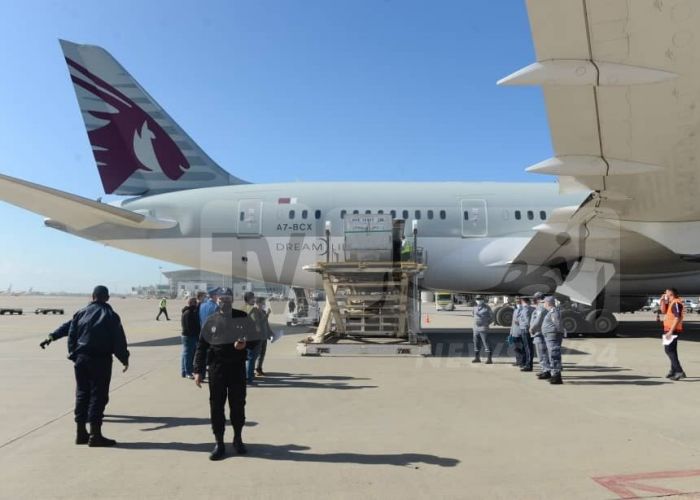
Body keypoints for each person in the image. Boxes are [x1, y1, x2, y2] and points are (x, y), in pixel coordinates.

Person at [193, 288, 257, 460]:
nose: (224, 302)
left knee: (237, 405)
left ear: (232, 300)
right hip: (217, 369)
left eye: (227, 298)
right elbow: (201, 346)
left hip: (237, 369)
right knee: (216, 406)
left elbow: (255, 338)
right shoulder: (211, 320)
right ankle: (219, 442)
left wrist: (245, 344)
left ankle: (237, 438)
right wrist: (198, 370)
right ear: (216, 300)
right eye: (221, 299)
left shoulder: (242, 318)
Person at [68, 285, 129, 446]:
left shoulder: (80, 313)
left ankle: (81, 433)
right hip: (100, 360)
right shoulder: (110, 315)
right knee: (98, 395)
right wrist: (124, 358)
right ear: (107, 298)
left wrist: (74, 355)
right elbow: (119, 339)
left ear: (92, 296)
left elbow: (72, 336)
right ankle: (95, 435)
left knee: (81, 394)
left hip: (81, 358)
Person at [660, 288, 686, 380]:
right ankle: (673, 370)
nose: (664, 293)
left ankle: (679, 371)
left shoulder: (676, 303)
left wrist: (671, 331)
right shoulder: (671, 303)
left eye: (666, 292)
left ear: (671, 294)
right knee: (672, 351)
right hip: (669, 329)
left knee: (668, 350)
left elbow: (677, 317)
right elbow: (663, 311)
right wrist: (662, 300)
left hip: (672, 330)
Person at [540, 296, 563, 385]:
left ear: (548, 303)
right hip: (550, 337)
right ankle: (554, 375)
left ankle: (557, 377)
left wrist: (559, 335)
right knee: (552, 356)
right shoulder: (550, 312)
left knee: (554, 355)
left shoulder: (554, 312)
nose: (543, 304)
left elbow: (558, 325)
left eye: (544, 302)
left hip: (553, 337)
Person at [529, 292, 550, 379]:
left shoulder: (540, 308)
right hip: (541, 333)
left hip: (539, 333)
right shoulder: (542, 307)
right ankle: (545, 370)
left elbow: (538, 320)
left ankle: (546, 371)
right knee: (543, 353)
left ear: (537, 299)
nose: (532, 300)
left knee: (542, 354)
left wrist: (532, 329)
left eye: (534, 298)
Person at [243, 291, 262, 383]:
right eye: (253, 298)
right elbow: (257, 324)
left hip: (244, 336)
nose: (254, 299)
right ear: (249, 299)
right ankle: (249, 377)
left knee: (245, 358)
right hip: (253, 337)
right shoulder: (253, 310)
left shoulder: (242, 308)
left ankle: (245, 375)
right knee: (251, 358)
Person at [180, 297, 200, 379]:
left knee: (185, 354)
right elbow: (189, 326)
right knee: (188, 355)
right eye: (195, 302)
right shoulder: (189, 313)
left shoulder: (188, 311)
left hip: (187, 336)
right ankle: (188, 372)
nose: (196, 304)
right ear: (191, 303)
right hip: (189, 336)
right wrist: (197, 333)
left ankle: (184, 371)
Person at [255, 296, 273, 377]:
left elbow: (266, 324)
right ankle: (253, 370)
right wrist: (268, 314)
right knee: (256, 354)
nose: (264, 304)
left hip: (264, 336)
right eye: (263, 303)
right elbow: (259, 323)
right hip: (258, 337)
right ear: (258, 303)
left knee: (262, 354)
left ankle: (259, 368)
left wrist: (270, 333)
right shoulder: (255, 312)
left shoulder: (263, 311)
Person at [515, 297, 535, 372]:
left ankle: (529, 365)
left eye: (521, 301)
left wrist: (520, 323)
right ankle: (527, 363)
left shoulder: (526, 309)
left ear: (523, 301)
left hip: (525, 330)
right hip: (526, 329)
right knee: (528, 348)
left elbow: (527, 321)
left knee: (528, 348)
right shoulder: (532, 308)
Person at [472, 296, 493, 364]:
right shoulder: (475, 308)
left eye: (480, 299)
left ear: (483, 300)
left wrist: (486, 323)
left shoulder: (487, 308)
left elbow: (492, 317)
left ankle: (489, 359)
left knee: (486, 343)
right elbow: (473, 315)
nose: (478, 300)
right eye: (477, 299)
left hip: (483, 328)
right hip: (476, 328)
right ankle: (477, 358)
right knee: (476, 343)